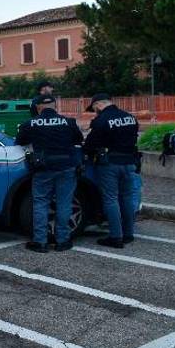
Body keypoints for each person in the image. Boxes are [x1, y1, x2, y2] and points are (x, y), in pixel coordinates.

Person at [16, 95, 83, 253]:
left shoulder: (31, 124)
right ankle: (63, 241)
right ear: (55, 106)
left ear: (39, 108)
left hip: (43, 168)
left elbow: (19, 141)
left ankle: (40, 242)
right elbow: (78, 140)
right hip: (66, 167)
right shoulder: (69, 122)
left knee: (40, 203)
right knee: (64, 203)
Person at [83, 93, 140, 248]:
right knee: (127, 198)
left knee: (110, 199)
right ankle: (128, 234)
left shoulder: (101, 120)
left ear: (98, 105)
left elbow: (90, 144)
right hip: (129, 162)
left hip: (110, 164)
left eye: (94, 109)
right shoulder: (130, 117)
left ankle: (115, 237)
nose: (95, 112)